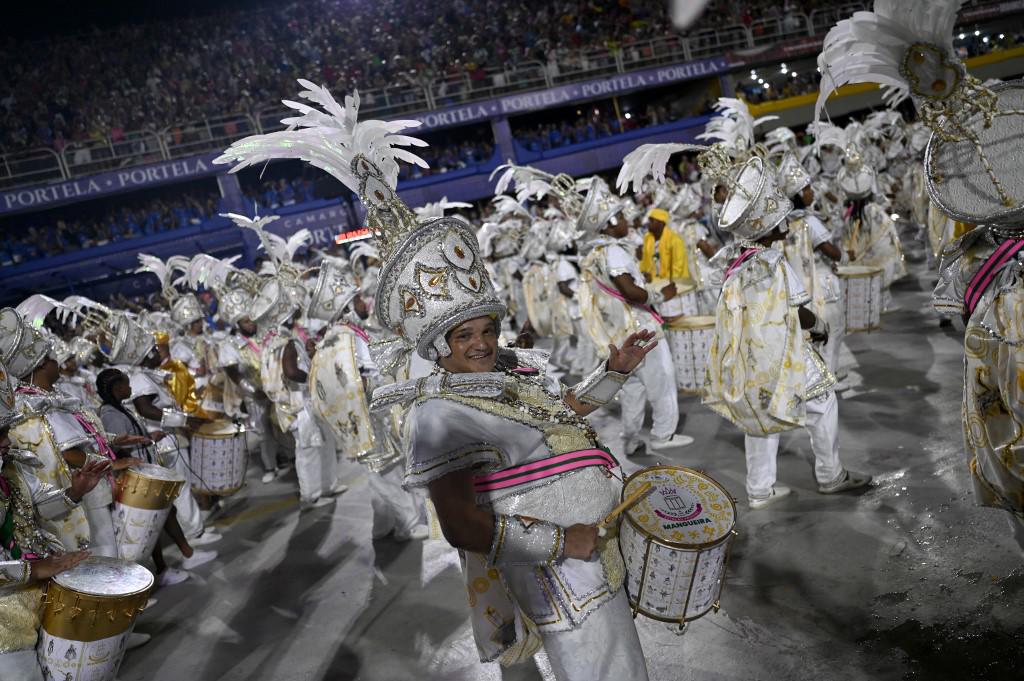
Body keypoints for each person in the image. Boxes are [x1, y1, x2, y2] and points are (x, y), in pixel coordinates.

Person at [213, 81, 655, 678]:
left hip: (591, 550)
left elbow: (565, 413)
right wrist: (562, 543)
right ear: (436, 344)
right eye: (462, 337)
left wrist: (615, 373)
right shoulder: (437, 414)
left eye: (485, 331)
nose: (479, 345)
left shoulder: (512, 372)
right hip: (557, 564)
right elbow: (461, 524)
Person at [703, 157, 872, 509]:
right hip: (782, 355)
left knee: (759, 418)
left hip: (750, 358)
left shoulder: (735, 259)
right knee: (824, 401)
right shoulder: (772, 262)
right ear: (769, 225)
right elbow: (799, 311)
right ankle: (831, 476)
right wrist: (821, 327)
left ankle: (759, 491)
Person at [0, 357, 111, 681]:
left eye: (6, 430)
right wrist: (33, 568)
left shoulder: (11, 469)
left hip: (37, 593)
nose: (7, 440)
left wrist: (74, 493)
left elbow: (38, 505)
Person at [578, 179, 692, 455]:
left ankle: (630, 439)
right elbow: (630, 291)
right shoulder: (614, 252)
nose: (626, 221)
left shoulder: (596, 253)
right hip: (640, 328)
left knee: (632, 387)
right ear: (608, 223)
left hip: (620, 330)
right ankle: (663, 434)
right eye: (621, 217)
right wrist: (660, 294)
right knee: (661, 378)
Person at [96, 368, 213, 585]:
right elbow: (118, 445)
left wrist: (148, 437)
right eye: (126, 384)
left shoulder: (118, 409)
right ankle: (178, 560)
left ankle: (168, 566)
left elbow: (128, 438)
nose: (130, 388)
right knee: (158, 519)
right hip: (136, 476)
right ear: (116, 388)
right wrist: (137, 450)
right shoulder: (110, 414)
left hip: (142, 470)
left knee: (160, 518)